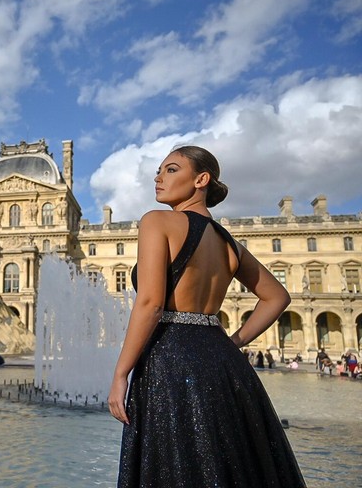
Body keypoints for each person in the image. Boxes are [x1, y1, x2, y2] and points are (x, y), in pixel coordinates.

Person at [107, 145, 305, 486]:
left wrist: (120, 373)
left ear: (201, 179)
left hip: (170, 358)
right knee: (225, 463)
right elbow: (277, 297)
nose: (158, 177)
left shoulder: (157, 221)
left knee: (176, 464)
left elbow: (151, 303)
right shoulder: (229, 243)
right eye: (159, 170)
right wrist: (233, 342)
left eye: (170, 170)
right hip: (223, 361)